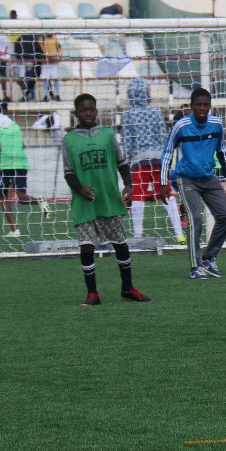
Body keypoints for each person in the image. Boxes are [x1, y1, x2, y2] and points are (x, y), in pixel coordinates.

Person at [61, 93, 150, 306]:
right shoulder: (69, 140)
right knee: (87, 247)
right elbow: (68, 172)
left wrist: (129, 184)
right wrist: (80, 189)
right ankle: (92, 293)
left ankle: (127, 288)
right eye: (83, 110)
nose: (88, 113)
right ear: (76, 113)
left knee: (120, 243)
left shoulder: (108, 135)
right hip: (85, 202)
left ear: (96, 111)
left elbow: (121, 162)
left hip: (109, 199)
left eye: (91, 109)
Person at [159, 87, 226, 280]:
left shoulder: (216, 124)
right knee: (195, 219)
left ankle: (209, 258)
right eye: (198, 105)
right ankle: (195, 267)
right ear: (191, 106)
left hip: (209, 178)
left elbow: (222, 151)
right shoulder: (181, 126)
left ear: (210, 106)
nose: (202, 108)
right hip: (187, 179)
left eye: (206, 105)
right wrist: (162, 183)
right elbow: (168, 153)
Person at [121, 78, 185, 243]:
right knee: (166, 193)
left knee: (138, 197)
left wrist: (129, 161)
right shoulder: (156, 111)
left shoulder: (127, 115)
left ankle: (137, 236)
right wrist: (166, 158)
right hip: (158, 158)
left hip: (138, 161)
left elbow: (128, 140)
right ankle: (179, 233)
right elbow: (163, 136)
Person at [0, 104, 51, 236]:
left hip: (4, 163)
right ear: (5, 111)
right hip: (20, 161)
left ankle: (14, 230)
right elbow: (21, 144)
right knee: (21, 197)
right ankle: (41, 201)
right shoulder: (14, 125)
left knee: (4, 197)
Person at [14, 31, 43, 102]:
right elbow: (39, 51)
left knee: (27, 79)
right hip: (30, 62)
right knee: (30, 79)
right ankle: (30, 96)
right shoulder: (32, 39)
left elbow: (16, 51)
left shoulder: (20, 39)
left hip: (25, 62)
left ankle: (27, 96)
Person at [39, 33, 62, 101]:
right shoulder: (42, 39)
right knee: (45, 79)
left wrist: (58, 56)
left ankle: (57, 95)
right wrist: (47, 57)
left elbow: (59, 48)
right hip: (46, 63)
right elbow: (41, 50)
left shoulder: (55, 39)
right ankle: (46, 96)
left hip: (54, 62)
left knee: (55, 79)